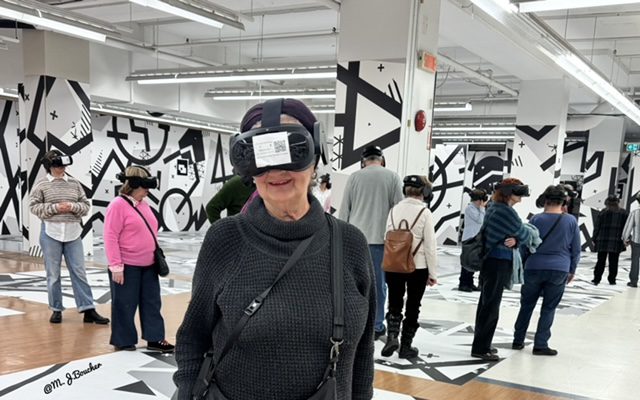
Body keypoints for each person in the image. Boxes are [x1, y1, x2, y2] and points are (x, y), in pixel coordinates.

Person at [174, 98, 375, 400]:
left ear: (315, 156)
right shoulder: (225, 239)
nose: (276, 169)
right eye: (260, 155)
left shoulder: (350, 243)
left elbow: (363, 352)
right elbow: (193, 337)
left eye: (292, 150)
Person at [29, 150, 109, 325]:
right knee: (53, 274)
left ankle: (88, 309)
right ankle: (56, 309)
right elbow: (33, 206)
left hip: (73, 233)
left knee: (79, 272)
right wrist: (55, 208)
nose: (62, 168)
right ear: (49, 166)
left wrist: (72, 206)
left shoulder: (74, 183)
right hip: (50, 233)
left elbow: (85, 206)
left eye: (63, 165)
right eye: (58, 165)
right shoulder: (41, 184)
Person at [103, 166, 175, 353]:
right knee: (124, 304)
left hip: (149, 265)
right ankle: (123, 340)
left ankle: (155, 338)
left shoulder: (144, 204)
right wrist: (116, 266)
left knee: (152, 303)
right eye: (145, 187)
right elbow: (110, 236)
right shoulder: (117, 205)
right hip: (127, 265)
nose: (148, 191)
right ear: (134, 185)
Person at [339, 145, 403, 340]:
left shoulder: (354, 177)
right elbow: (399, 209)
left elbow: (344, 209)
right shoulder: (392, 177)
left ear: (363, 160)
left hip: (355, 238)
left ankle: (355, 321)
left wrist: (341, 236)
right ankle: (376, 325)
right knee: (378, 285)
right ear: (381, 159)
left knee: (353, 282)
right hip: (381, 239)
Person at [512, 185, 580, 356]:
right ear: (563, 202)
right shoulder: (571, 221)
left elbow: (525, 244)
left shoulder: (536, 219)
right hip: (559, 268)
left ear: (546, 200)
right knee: (549, 308)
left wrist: (523, 264)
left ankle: (518, 340)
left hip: (533, 267)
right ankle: (541, 344)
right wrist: (572, 270)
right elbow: (576, 249)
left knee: (526, 305)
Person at [471, 178, 532, 361]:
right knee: (491, 306)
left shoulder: (494, 207)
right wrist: (519, 237)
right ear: (508, 193)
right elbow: (525, 233)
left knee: (486, 303)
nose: (521, 196)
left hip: (491, 261)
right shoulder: (505, 211)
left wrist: (515, 239)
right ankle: (481, 348)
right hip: (498, 261)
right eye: (518, 192)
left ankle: (482, 343)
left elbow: (516, 234)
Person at [381, 175, 437, 359]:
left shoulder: (394, 210)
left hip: (394, 264)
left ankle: (392, 337)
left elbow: (386, 236)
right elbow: (430, 246)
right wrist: (432, 273)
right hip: (417, 267)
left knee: (394, 301)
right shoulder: (425, 212)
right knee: (413, 305)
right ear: (425, 192)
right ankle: (406, 346)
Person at [591, 195, 628, 285]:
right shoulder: (623, 213)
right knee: (614, 261)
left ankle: (596, 279)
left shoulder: (603, 212)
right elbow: (626, 228)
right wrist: (626, 239)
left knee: (600, 260)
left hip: (602, 239)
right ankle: (612, 280)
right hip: (616, 240)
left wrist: (594, 238)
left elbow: (597, 226)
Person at [458, 188, 488, 292]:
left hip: (476, 237)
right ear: (478, 200)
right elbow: (480, 220)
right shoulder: (470, 208)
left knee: (473, 261)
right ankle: (463, 283)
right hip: (469, 238)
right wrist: (482, 209)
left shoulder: (478, 209)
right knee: (467, 261)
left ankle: (469, 283)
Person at [622, 192, 640, 288]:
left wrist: (625, 238)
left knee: (635, 260)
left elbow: (628, 227)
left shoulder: (635, 212)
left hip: (636, 240)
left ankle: (633, 281)